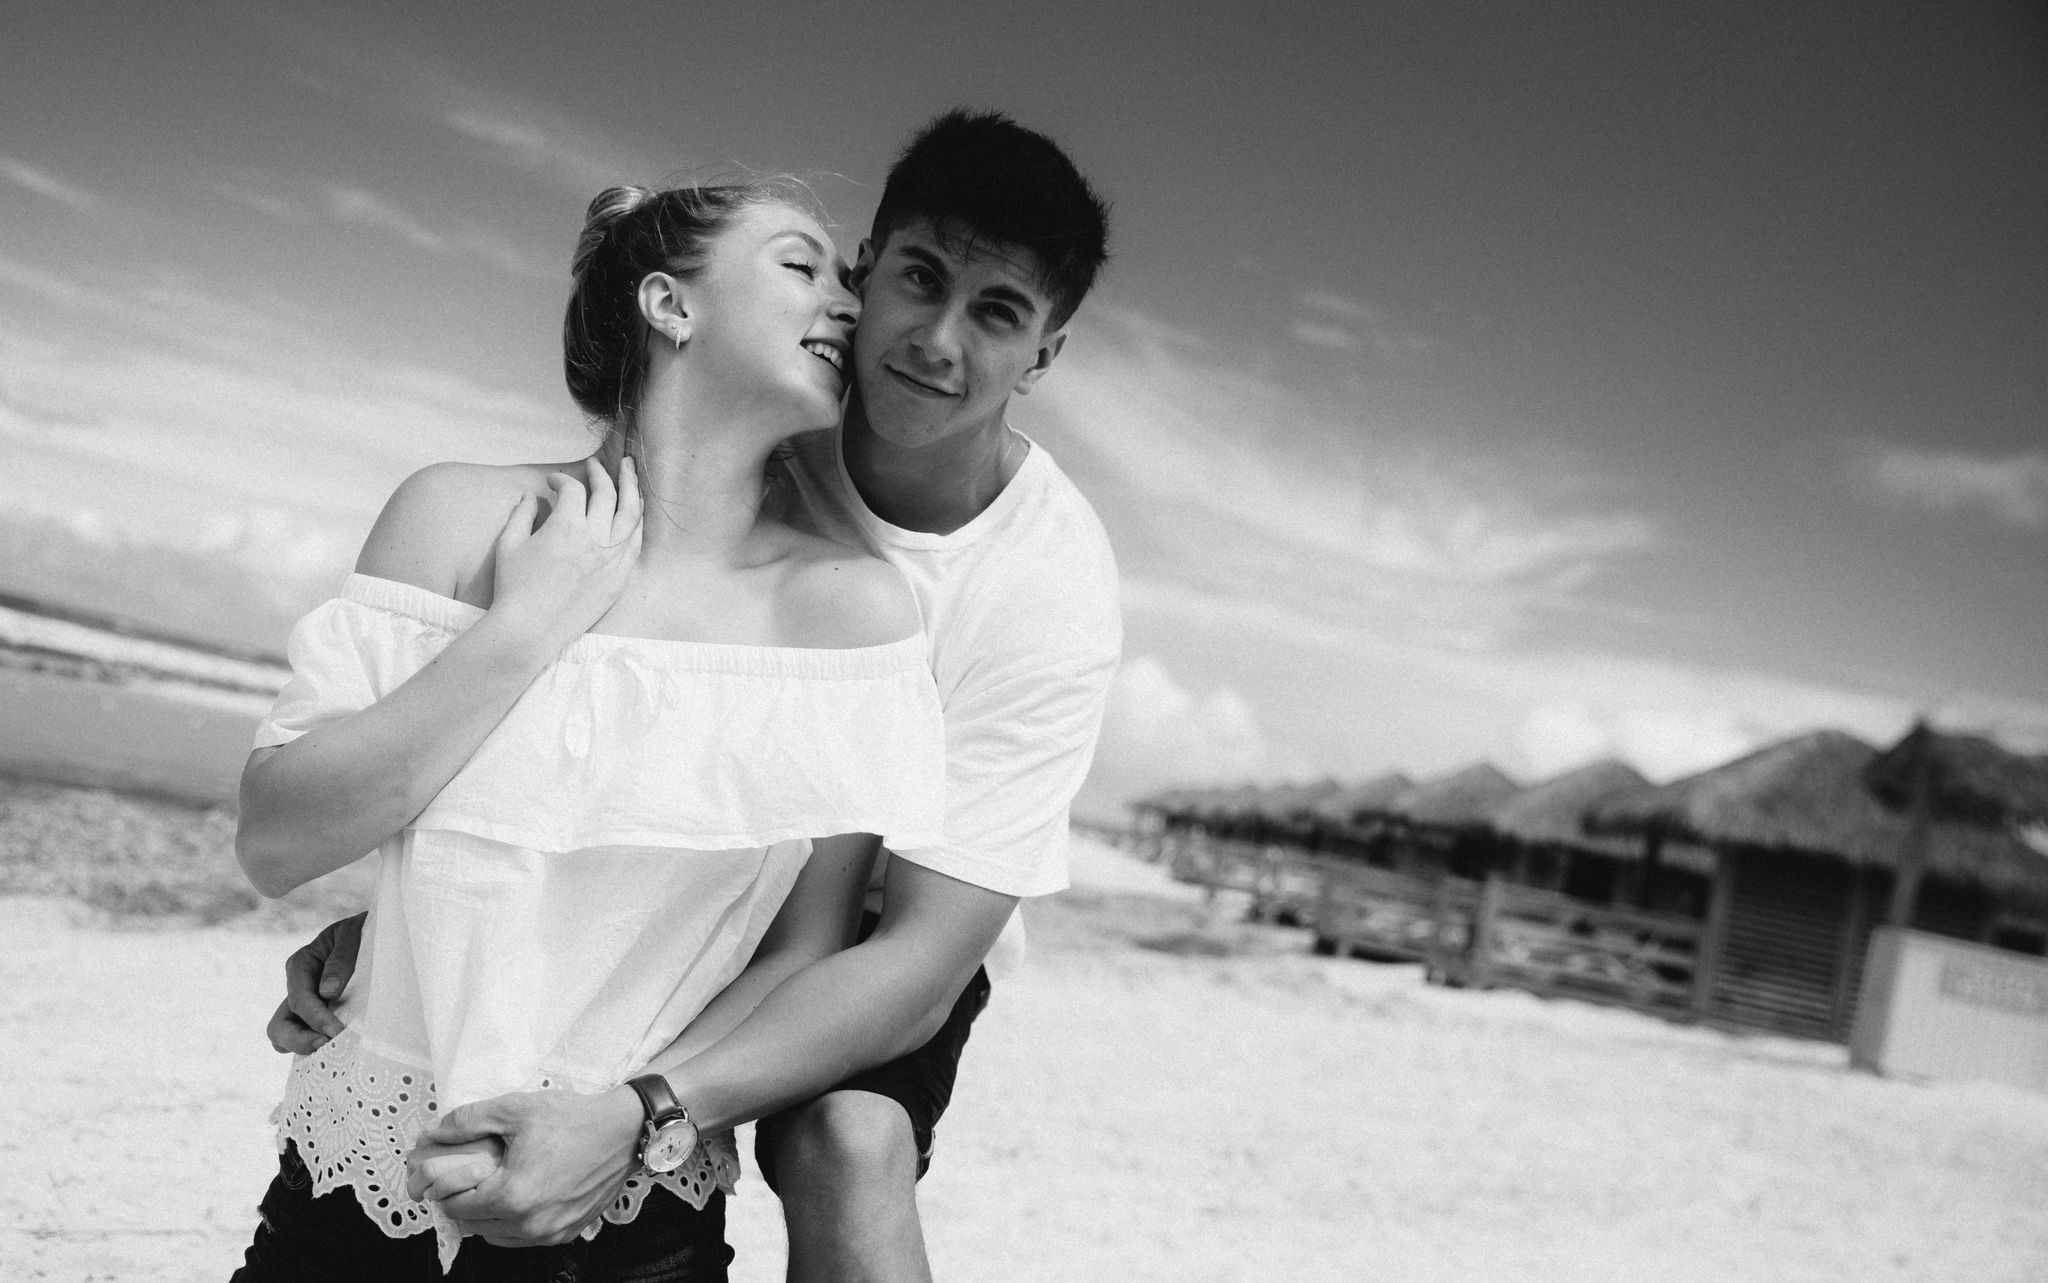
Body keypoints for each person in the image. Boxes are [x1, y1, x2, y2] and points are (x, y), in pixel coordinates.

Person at [271, 109, 1121, 1283]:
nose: (933, 339)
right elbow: (606, 718)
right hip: (699, 865)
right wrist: (417, 920)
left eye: (996, 313)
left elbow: (913, 965)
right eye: (914, 279)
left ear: (1043, 354)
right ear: (866, 279)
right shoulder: (779, 413)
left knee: (843, 1137)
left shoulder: (1037, 589)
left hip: (894, 910)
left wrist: (645, 1107)